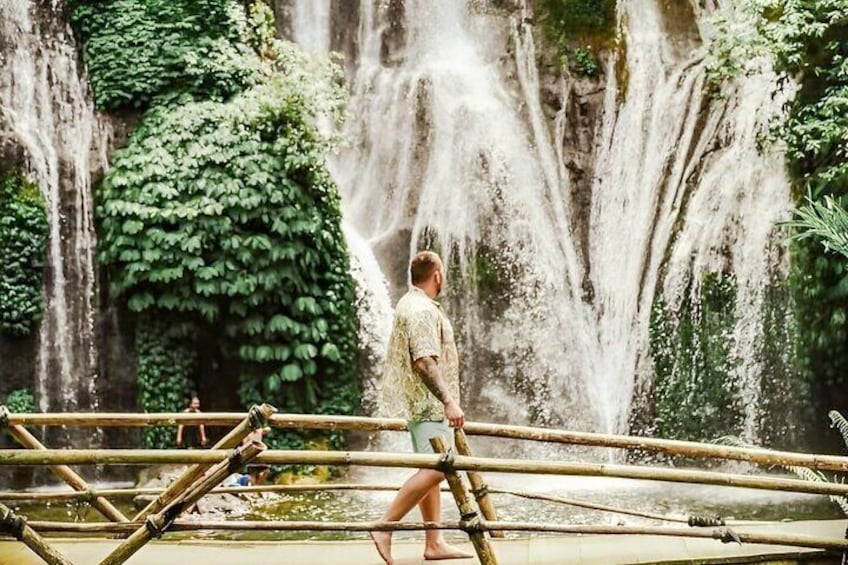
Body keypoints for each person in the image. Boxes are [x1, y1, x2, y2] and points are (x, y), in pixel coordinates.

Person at [370, 251, 472, 564]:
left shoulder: (409, 303)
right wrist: (449, 401)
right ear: (437, 275)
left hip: (420, 404)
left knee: (430, 469)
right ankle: (384, 526)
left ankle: (434, 542)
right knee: (441, 465)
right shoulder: (421, 310)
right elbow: (424, 361)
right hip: (429, 406)